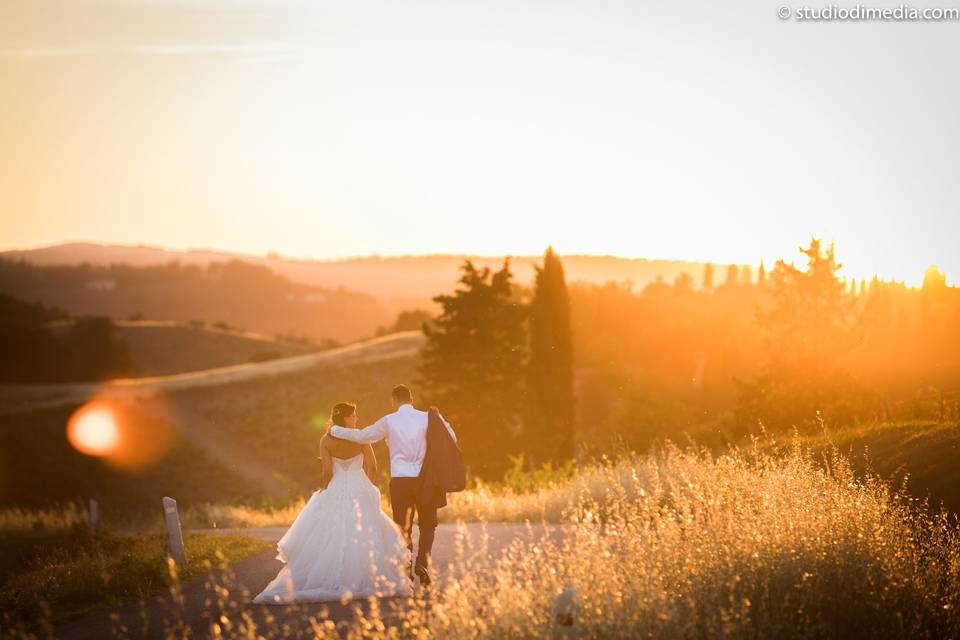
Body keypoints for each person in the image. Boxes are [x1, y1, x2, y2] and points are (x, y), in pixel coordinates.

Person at [253, 402, 412, 604]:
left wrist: (325, 487)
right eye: (354, 415)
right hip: (359, 487)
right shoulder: (360, 437)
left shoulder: (325, 440)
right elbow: (372, 466)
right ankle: (366, 577)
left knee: (329, 532)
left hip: (336, 487)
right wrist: (367, 484)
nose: (356, 419)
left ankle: (327, 577)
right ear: (345, 417)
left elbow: (327, 471)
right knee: (364, 530)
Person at [330, 384, 456, 587]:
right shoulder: (429, 417)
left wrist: (336, 430)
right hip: (426, 480)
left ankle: (406, 568)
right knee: (427, 525)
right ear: (411, 399)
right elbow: (452, 437)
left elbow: (363, 436)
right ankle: (422, 563)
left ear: (394, 401)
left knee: (402, 527)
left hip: (401, 481)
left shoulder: (389, 421)